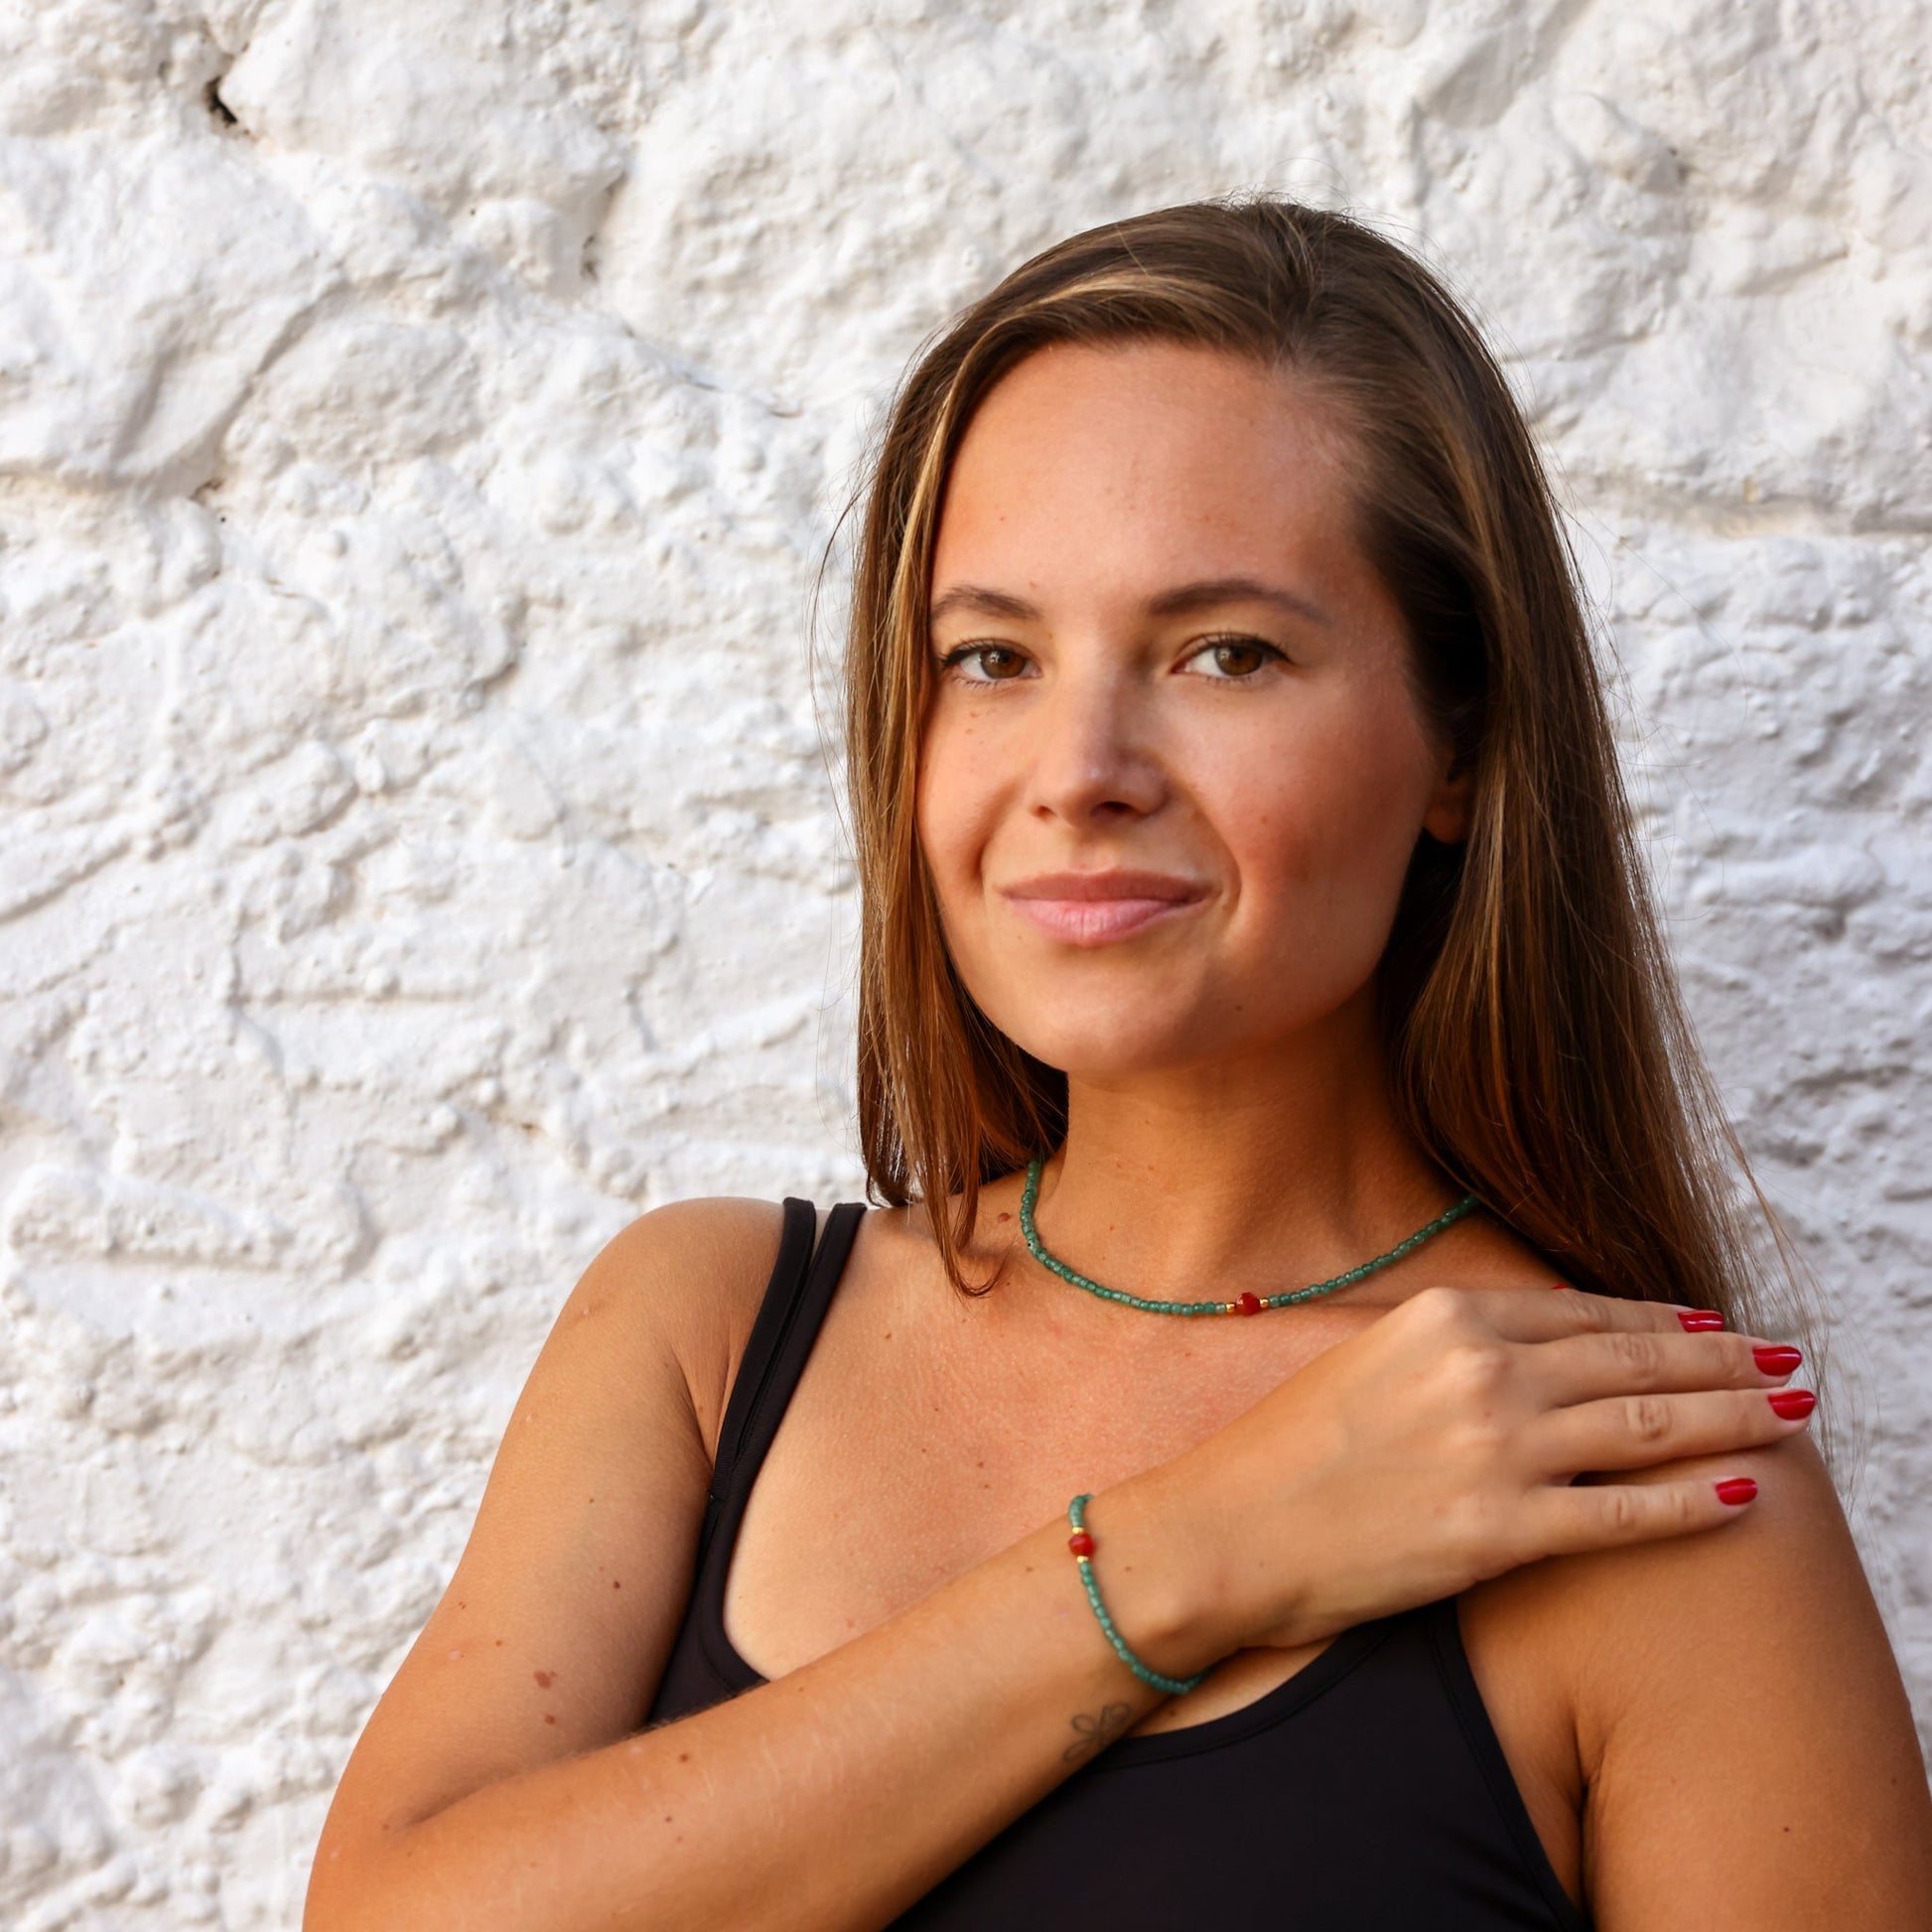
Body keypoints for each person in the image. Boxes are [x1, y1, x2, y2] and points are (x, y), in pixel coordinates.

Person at [304, 201, 1932, 1930]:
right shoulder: (700, 1329)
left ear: (1456, 742)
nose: (1080, 767)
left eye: (1223, 651)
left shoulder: (1631, 1485)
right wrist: (1192, 1549)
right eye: (990, 657)